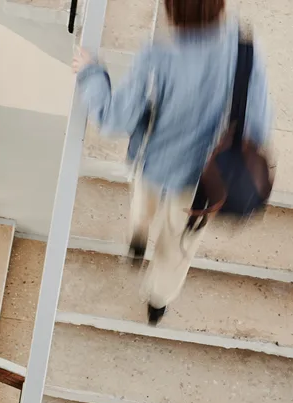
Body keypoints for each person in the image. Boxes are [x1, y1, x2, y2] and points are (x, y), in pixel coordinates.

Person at [73, 0, 272, 325]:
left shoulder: (158, 57)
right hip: (204, 189)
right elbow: (259, 127)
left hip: (155, 165)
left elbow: (112, 118)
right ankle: (158, 301)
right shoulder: (246, 50)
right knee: (178, 250)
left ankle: (137, 240)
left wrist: (92, 73)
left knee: (141, 206)